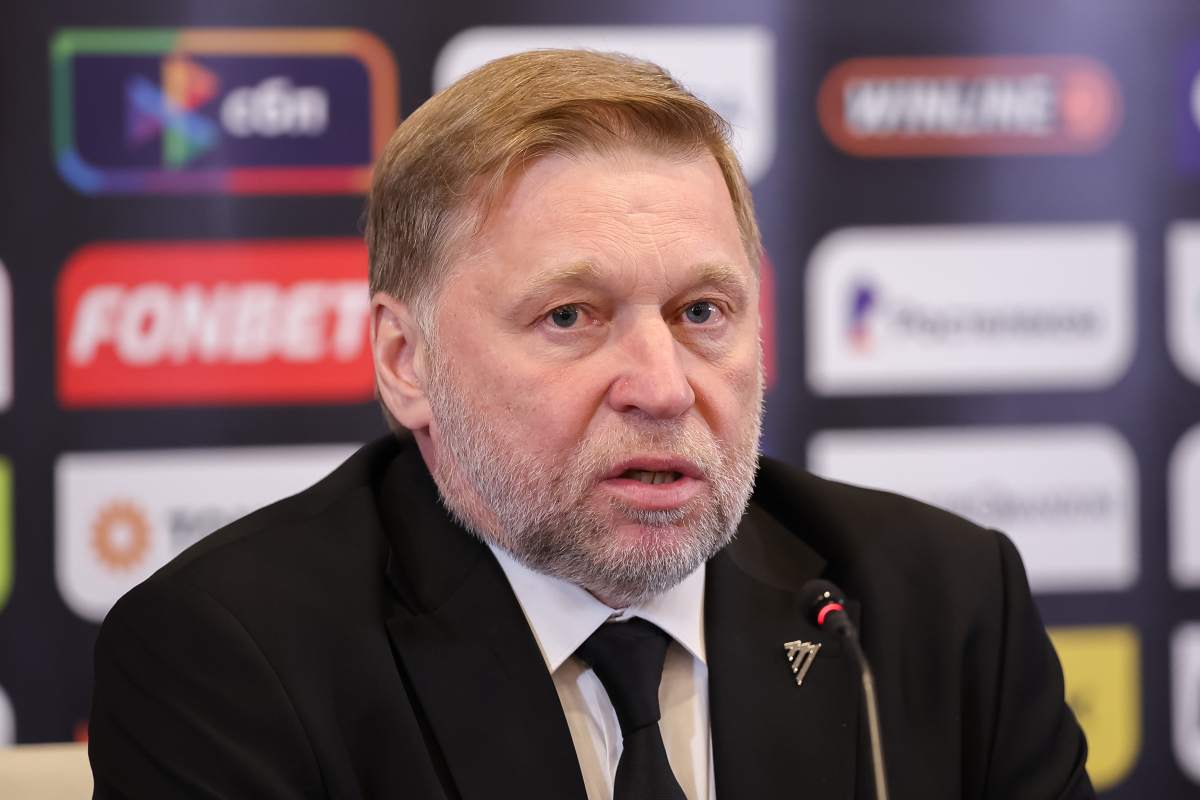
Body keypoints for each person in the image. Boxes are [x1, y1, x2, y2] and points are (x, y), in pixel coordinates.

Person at [88, 50, 1093, 800]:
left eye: (702, 312)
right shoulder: (232, 656)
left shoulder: (942, 606)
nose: (663, 387)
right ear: (406, 360)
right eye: (570, 316)